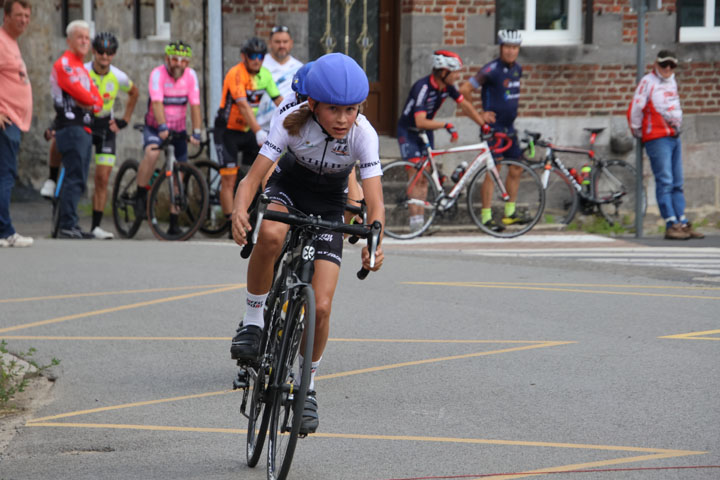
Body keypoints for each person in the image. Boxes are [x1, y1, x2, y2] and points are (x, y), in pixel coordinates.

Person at [230, 53, 384, 434]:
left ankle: (308, 385)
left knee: (324, 305)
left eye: (351, 110)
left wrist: (376, 240)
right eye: (335, 109)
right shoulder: (290, 120)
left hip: (330, 203)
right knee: (270, 234)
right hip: (290, 188)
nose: (343, 118)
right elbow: (253, 180)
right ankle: (253, 320)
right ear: (313, 104)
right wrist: (239, 209)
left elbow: (375, 201)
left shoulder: (362, 133)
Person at [397, 49, 493, 232]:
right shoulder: (423, 88)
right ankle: (414, 223)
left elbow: (464, 104)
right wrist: (446, 125)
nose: (458, 76)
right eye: (455, 72)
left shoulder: (447, 87)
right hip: (408, 131)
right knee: (417, 174)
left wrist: (483, 124)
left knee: (425, 179)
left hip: (426, 130)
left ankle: (420, 224)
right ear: (443, 72)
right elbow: (419, 120)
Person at [628, 50, 703, 240]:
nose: (668, 69)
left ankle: (682, 221)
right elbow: (636, 108)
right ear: (656, 64)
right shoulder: (648, 82)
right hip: (657, 136)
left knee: (678, 182)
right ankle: (671, 223)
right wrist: (637, 130)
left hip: (674, 135)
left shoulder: (672, 81)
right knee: (666, 181)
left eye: (671, 65)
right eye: (664, 65)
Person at [459, 29, 527, 232]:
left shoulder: (518, 70)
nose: (510, 51)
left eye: (514, 48)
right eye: (507, 47)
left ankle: (509, 213)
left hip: (509, 129)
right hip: (493, 129)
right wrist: (480, 116)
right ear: (501, 48)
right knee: (493, 169)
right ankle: (486, 216)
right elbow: (464, 90)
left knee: (516, 168)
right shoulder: (491, 70)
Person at [137, 40, 202, 233]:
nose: (178, 64)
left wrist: (197, 131)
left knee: (178, 175)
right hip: (156, 127)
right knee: (152, 154)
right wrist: (163, 126)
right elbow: (157, 103)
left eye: (183, 61)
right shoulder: (157, 74)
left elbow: (195, 106)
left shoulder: (191, 76)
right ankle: (140, 195)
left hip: (178, 129)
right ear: (167, 58)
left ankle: (174, 222)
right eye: (174, 59)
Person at [216, 37, 282, 223]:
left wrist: (297, 119)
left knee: (263, 169)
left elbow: (279, 101)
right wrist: (259, 131)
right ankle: (231, 223)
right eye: (252, 55)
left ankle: (258, 214)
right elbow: (243, 106)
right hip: (227, 130)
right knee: (228, 179)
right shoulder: (235, 74)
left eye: (260, 56)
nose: (256, 60)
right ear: (243, 56)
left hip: (247, 130)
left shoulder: (265, 75)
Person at [82, 32, 139, 239]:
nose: (105, 56)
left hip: (106, 126)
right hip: (85, 123)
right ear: (94, 52)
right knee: (78, 173)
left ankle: (96, 226)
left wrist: (124, 120)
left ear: (114, 55)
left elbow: (134, 93)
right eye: (101, 52)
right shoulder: (84, 71)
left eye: (109, 53)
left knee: (102, 178)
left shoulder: (118, 75)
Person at [50, 19, 103, 239]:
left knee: (79, 176)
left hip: (83, 127)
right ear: (69, 40)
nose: (84, 41)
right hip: (71, 126)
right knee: (74, 176)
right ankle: (66, 224)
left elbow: (97, 101)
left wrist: (90, 102)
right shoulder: (65, 63)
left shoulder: (81, 66)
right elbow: (79, 92)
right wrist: (89, 101)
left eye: (87, 38)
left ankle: (69, 222)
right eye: (79, 37)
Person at [0, 0, 33, 247]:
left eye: (27, 16)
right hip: (6, 119)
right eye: (19, 15)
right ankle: (4, 231)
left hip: (15, 120)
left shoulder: (11, 42)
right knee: (5, 175)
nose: (24, 20)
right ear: (6, 15)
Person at [255, 25, 303, 133]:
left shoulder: (299, 68)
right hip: (261, 130)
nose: (282, 45)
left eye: (285, 42)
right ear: (270, 43)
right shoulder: (259, 65)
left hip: (288, 129)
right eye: (277, 42)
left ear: (291, 43)